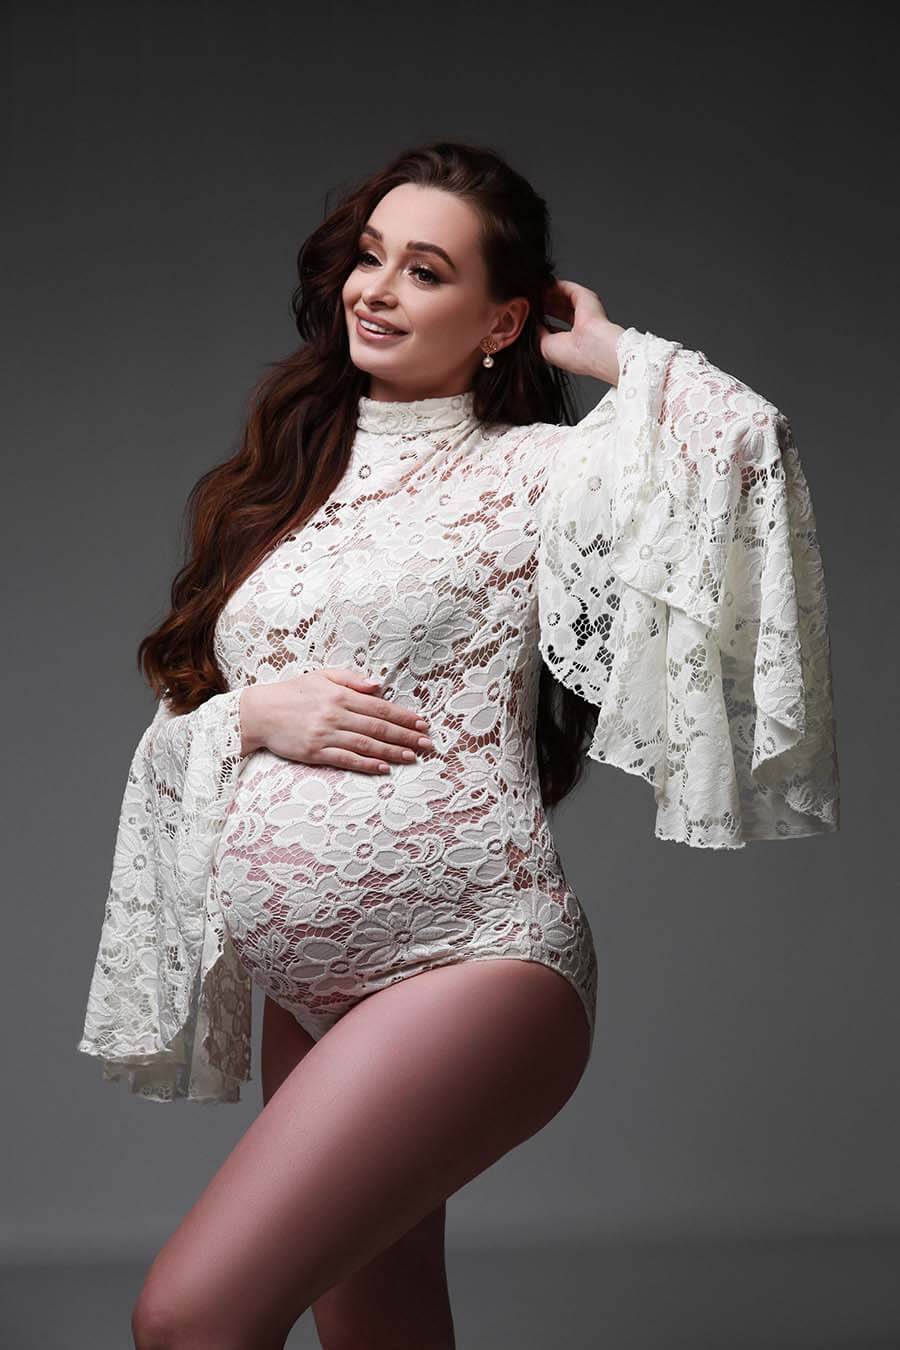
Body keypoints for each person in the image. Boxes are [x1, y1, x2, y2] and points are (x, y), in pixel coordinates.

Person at [76, 140, 839, 1349]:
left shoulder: (545, 471)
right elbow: (196, 707)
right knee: (382, 1334)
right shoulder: (287, 480)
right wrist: (244, 717)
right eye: (368, 258)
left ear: (500, 321)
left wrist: (606, 352)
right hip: (306, 991)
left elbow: (746, 444)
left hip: (471, 960)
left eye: (425, 270)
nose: (375, 289)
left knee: (190, 1320)